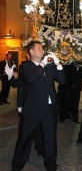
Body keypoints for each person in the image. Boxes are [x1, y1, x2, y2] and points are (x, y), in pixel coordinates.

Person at [10, 41, 65, 171]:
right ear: (31, 52)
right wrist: (43, 64)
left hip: (49, 110)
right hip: (32, 110)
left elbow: (62, 80)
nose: (42, 50)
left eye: (42, 48)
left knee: (50, 140)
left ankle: (51, 166)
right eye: (39, 48)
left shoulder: (49, 66)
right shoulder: (26, 67)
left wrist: (57, 63)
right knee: (25, 139)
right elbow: (31, 78)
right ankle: (17, 165)